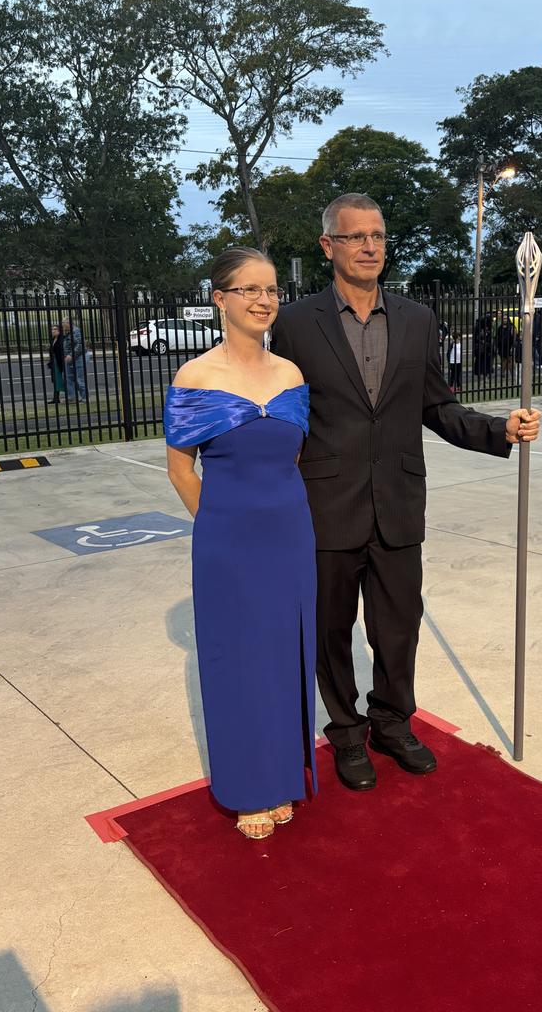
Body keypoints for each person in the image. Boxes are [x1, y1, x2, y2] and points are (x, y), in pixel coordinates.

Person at [272, 193, 541, 791]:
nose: (370, 246)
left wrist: (501, 430)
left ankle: (392, 723)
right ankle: (345, 731)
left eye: (378, 236)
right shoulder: (294, 325)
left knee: (398, 627)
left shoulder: (418, 320)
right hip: (325, 506)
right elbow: (281, 414)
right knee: (329, 628)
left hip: (398, 503)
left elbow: (436, 406)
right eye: (355, 237)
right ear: (328, 247)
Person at [163, 247, 316, 841]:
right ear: (219, 298)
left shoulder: (291, 375)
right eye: (249, 289)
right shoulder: (195, 377)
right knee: (239, 662)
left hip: (291, 535)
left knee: (284, 656)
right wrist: (221, 525)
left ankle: (281, 777)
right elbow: (180, 470)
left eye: (272, 289)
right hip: (226, 542)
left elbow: (290, 459)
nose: (263, 300)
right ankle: (248, 787)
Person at [62, 317, 88, 401]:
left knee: (79, 379)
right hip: (70, 358)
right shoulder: (69, 332)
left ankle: (85, 398)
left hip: (78, 357)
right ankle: (72, 397)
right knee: (67, 377)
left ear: (68, 323)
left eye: (63, 322)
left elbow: (80, 345)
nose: (62, 324)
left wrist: (71, 355)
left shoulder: (75, 331)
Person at [47, 324, 65, 404]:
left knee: (60, 380)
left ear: (59, 331)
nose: (53, 331)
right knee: (55, 380)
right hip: (54, 362)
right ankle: (56, 398)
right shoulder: (53, 339)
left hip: (59, 362)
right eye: (52, 329)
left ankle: (71, 397)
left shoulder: (61, 339)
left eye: (55, 329)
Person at [446, 329, 462, 393]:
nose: (459, 337)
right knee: (452, 375)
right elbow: (448, 353)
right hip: (453, 362)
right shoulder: (452, 344)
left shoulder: (460, 344)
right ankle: (451, 386)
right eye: (459, 336)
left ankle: (458, 386)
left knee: (458, 375)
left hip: (459, 362)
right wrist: (449, 361)